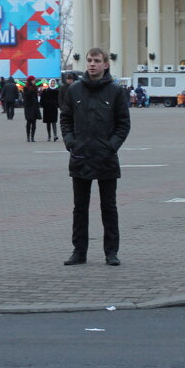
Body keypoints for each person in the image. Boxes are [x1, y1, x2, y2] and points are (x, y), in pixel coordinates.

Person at [59, 47, 131, 266]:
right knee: (79, 208)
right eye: (89, 60)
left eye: (96, 60)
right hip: (81, 156)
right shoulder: (75, 90)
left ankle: (111, 252)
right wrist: (71, 143)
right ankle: (79, 252)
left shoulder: (116, 91)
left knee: (109, 207)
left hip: (106, 157)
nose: (91, 64)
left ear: (105, 65)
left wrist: (112, 146)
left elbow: (123, 124)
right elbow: (65, 119)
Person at [23, 76, 41, 142]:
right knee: (28, 122)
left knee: (34, 122)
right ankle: (28, 136)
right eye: (33, 80)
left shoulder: (35, 87)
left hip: (35, 107)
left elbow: (36, 98)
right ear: (30, 81)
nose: (34, 81)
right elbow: (26, 96)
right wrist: (31, 90)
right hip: (28, 107)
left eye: (34, 80)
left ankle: (32, 137)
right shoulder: (26, 88)